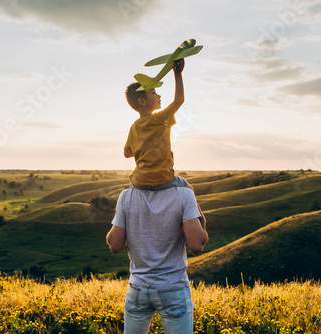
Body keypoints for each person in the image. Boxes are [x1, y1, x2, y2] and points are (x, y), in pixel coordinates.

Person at [106, 185, 208, 334]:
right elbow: (197, 245)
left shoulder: (127, 196)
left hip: (138, 288)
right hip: (173, 287)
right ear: (170, 163)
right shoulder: (185, 193)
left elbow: (114, 246)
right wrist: (198, 214)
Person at [123, 58, 189, 191]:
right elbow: (179, 100)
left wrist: (144, 150)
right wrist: (178, 74)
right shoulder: (159, 119)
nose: (159, 96)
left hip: (138, 181)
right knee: (189, 188)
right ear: (142, 101)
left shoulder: (134, 127)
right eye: (153, 93)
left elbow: (127, 153)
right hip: (163, 179)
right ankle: (196, 213)